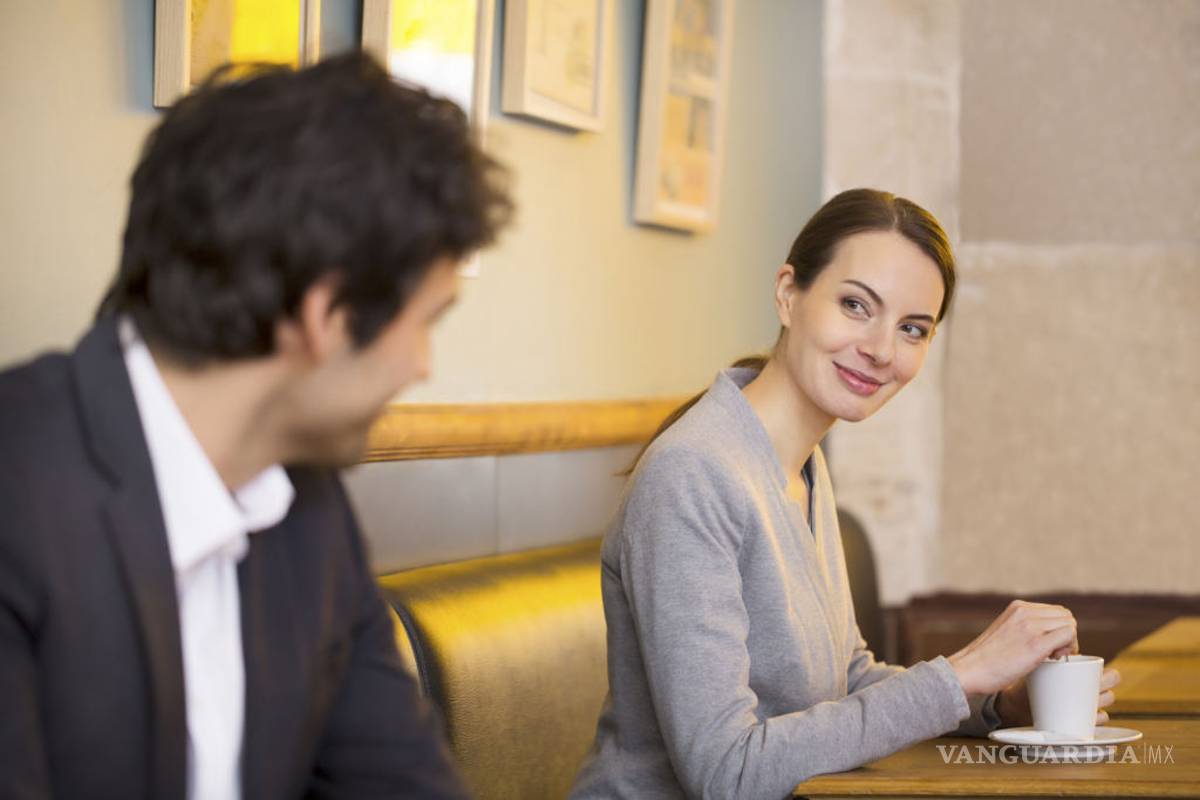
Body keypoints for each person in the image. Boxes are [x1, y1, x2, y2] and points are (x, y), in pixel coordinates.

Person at [0, 53, 511, 799]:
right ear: (325, 315)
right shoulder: (18, 491)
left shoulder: (311, 512)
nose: (424, 366)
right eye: (427, 322)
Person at [570, 189, 1120, 799]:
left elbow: (846, 676)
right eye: (856, 305)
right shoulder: (694, 473)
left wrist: (993, 701)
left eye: (913, 328)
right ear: (788, 293)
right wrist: (961, 673)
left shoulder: (799, 465)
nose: (883, 349)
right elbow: (727, 772)